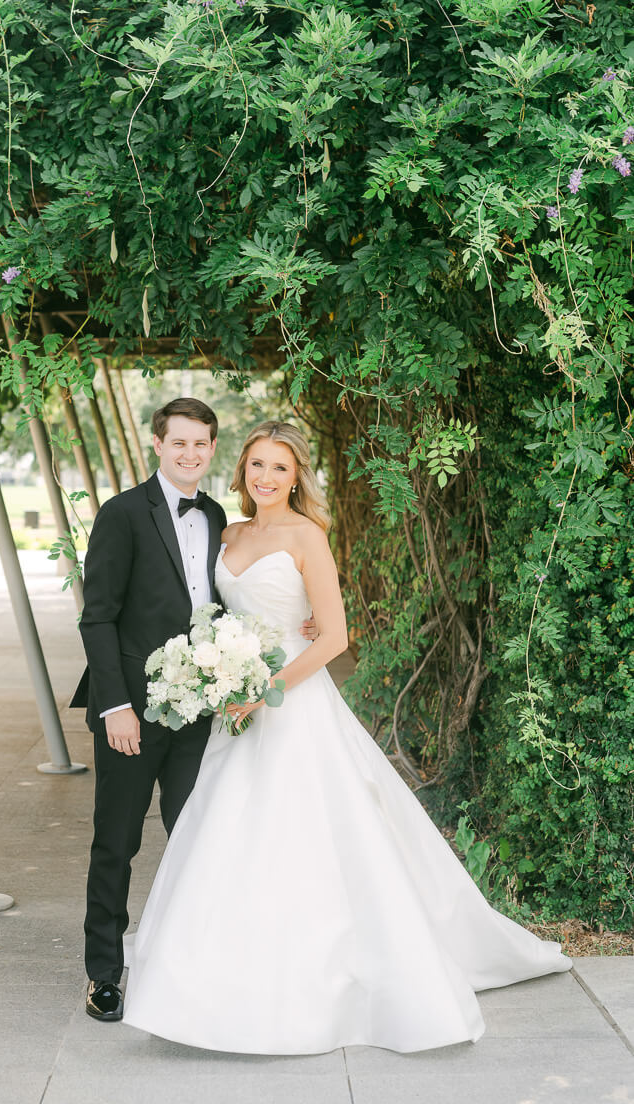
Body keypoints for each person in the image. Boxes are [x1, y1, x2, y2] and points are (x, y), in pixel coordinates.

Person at [122, 421, 572, 1055]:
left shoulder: (309, 537)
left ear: (297, 475)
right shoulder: (229, 532)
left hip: (290, 703)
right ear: (242, 469)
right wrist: (217, 669)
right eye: (257, 464)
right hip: (236, 701)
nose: (266, 478)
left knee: (308, 831)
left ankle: (326, 978)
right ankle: (215, 976)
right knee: (226, 831)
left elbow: (333, 637)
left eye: (280, 468)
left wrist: (267, 685)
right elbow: (220, 612)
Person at [71, 400, 315, 1022]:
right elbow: (96, 617)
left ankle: (200, 963)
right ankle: (104, 972)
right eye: (178, 443)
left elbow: (225, 600)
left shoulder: (216, 517)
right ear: (158, 444)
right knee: (117, 843)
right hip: (133, 712)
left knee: (202, 837)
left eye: (201, 445)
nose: (189, 455)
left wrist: (298, 624)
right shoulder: (121, 514)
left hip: (203, 714)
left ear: (213, 450)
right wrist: (115, 708)